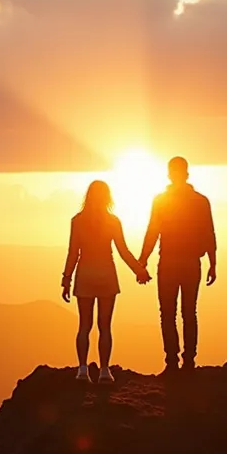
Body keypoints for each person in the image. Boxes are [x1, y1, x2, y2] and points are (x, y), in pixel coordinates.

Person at [61, 180, 150, 383]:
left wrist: (66, 278)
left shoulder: (77, 221)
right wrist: (139, 270)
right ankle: (104, 371)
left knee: (84, 325)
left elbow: (73, 252)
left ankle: (82, 370)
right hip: (106, 275)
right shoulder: (113, 221)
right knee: (105, 326)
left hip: (84, 274)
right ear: (107, 198)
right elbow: (123, 251)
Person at [139, 156, 217, 375]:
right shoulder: (200, 201)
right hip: (190, 263)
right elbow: (209, 233)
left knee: (169, 314)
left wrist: (142, 260)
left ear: (170, 174)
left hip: (170, 263)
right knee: (187, 313)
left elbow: (152, 231)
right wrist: (212, 263)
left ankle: (173, 363)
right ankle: (187, 363)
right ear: (186, 174)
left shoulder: (162, 200)